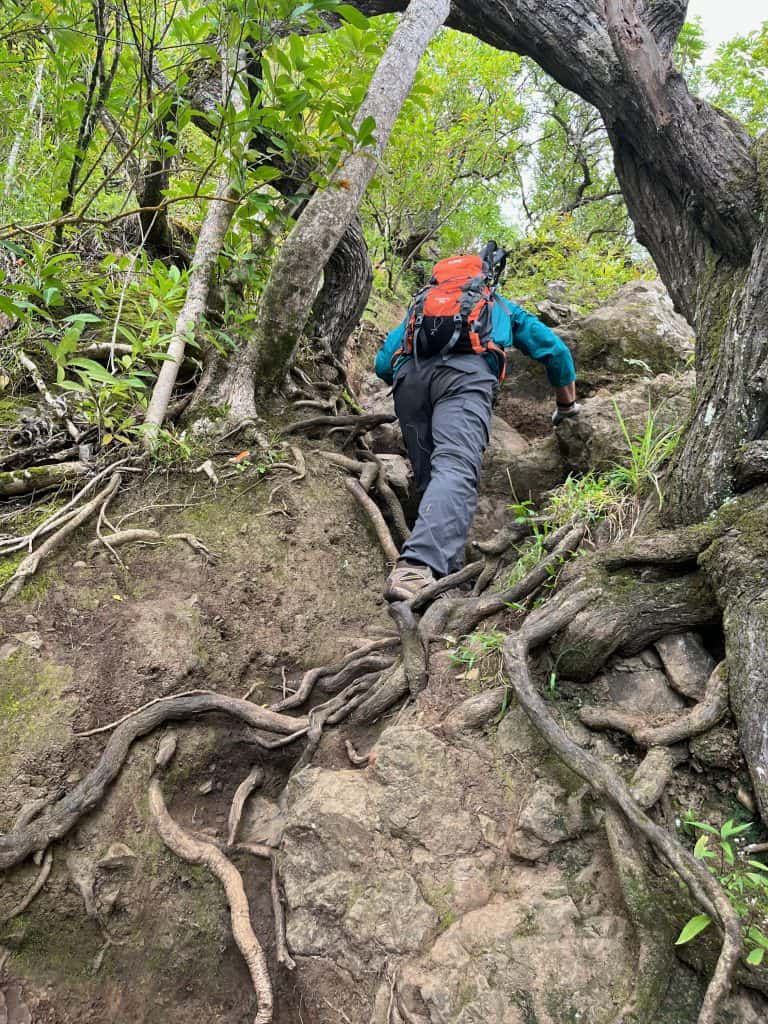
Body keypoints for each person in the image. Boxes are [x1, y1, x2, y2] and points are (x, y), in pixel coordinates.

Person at [374, 242, 579, 602]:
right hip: (465, 380)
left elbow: (381, 365)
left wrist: (419, 375)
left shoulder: (419, 309)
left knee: (430, 477)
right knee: (454, 469)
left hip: (409, 383)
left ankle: (444, 577)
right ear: (483, 278)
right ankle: (417, 568)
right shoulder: (497, 305)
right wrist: (566, 407)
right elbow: (555, 351)